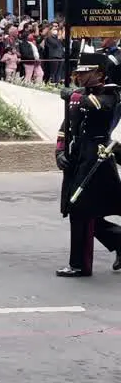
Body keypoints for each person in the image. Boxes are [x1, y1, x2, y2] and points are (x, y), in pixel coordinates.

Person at [55, 51, 121, 277]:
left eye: (86, 72)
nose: (80, 76)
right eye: (79, 72)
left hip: (97, 157)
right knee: (84, 211)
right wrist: (60, 151)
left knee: (81, 210)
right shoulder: (79, 95)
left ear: (99, 74)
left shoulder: (110, 94)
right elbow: (66, 126)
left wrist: (73, 96)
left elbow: (97, 105)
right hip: (78, 157)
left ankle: (80, 265)